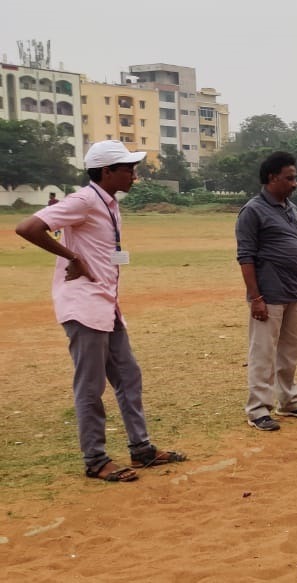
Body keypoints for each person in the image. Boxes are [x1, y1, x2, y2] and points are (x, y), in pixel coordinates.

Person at [14, 140, 187, 482]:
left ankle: (142, 449)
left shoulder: (107, 203)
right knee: (91, 387)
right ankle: (95, 459)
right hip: (84, 306)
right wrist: (72, 257)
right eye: (128, 169)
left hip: (106, 304)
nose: (134, 175)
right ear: (106, 172)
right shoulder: (83, 200)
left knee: (128, 376)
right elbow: (28, 227)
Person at [237, 151, 297, 432]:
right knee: (263, 353)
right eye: (290, 178)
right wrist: (256, 298)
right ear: (272, 178)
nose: (295, 183)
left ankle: (289, 401)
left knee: (289, 352)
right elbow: (246, 257)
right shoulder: (253, 211)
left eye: (295, 178)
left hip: (293, 293)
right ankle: (258, 409)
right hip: (268, 296)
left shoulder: (292, 208)